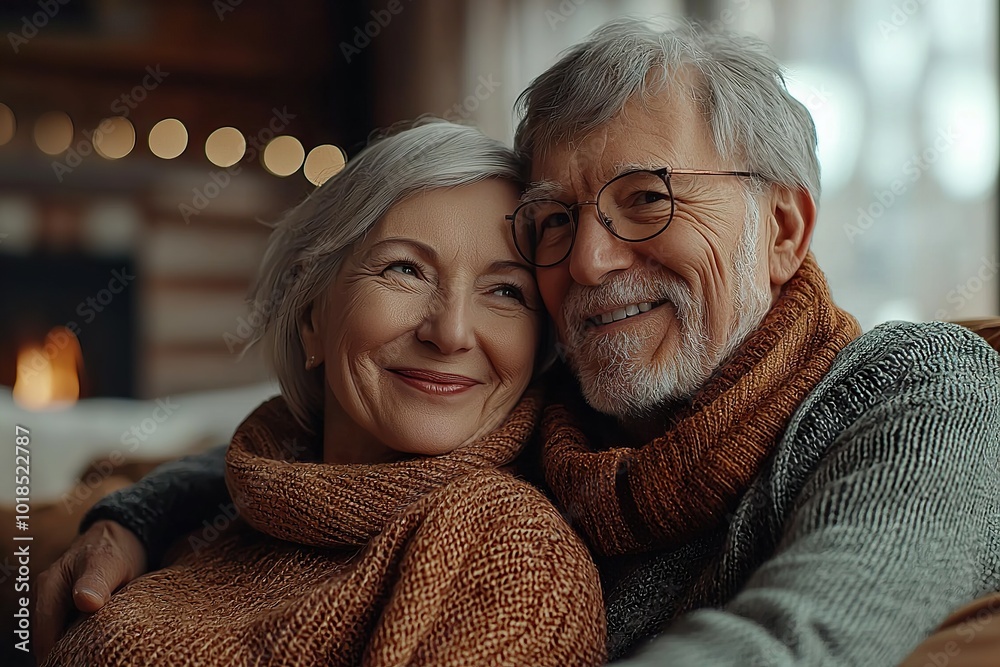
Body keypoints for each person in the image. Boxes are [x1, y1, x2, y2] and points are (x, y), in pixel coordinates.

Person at [39, 19, 1000, 666]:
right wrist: (138, 510)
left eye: (644, 199)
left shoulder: (918, 392)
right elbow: (331, 460)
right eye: (552, 218)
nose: (586, 260)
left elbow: (802, 636)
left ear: (784, 230)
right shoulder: (570, 411)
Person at [38, 120, 606, 666]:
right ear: (312, 316)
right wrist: (129, 516)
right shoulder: (240, 496)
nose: (452, 332)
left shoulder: (508, 550)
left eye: (505, 289)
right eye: (406, 269)